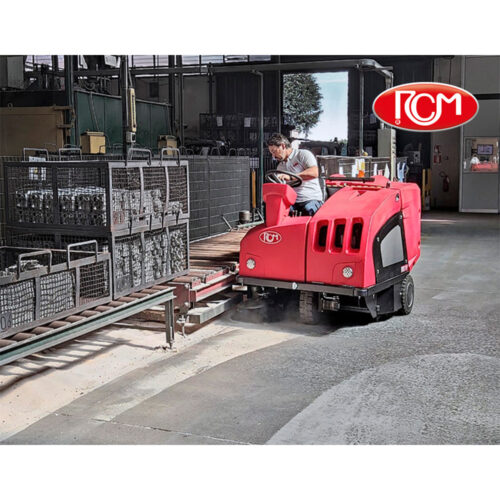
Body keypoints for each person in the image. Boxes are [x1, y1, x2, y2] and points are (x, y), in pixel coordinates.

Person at [267, 133, 323, 216]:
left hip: (310, 198)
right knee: (278, 211)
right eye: (271, 153)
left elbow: (315, 172)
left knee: (308, 210)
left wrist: (291, 177)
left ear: (282, 146)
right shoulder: (280, 167)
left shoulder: (303, 155)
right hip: (292, 201)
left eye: (274, 151)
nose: (273, 156)